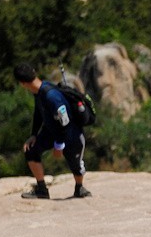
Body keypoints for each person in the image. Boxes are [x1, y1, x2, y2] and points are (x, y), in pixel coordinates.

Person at [14, 62, 92, 199]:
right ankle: (42, 190)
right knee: (31, 151)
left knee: (75, 164)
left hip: (71, 133)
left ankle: (79, 187)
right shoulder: (38, 92)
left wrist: (59, 145)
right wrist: (33, 134)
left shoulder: (51, 96)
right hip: (52, 131)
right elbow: (38, 113)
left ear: (22, 83)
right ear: (34, 72)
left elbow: (65, 122)